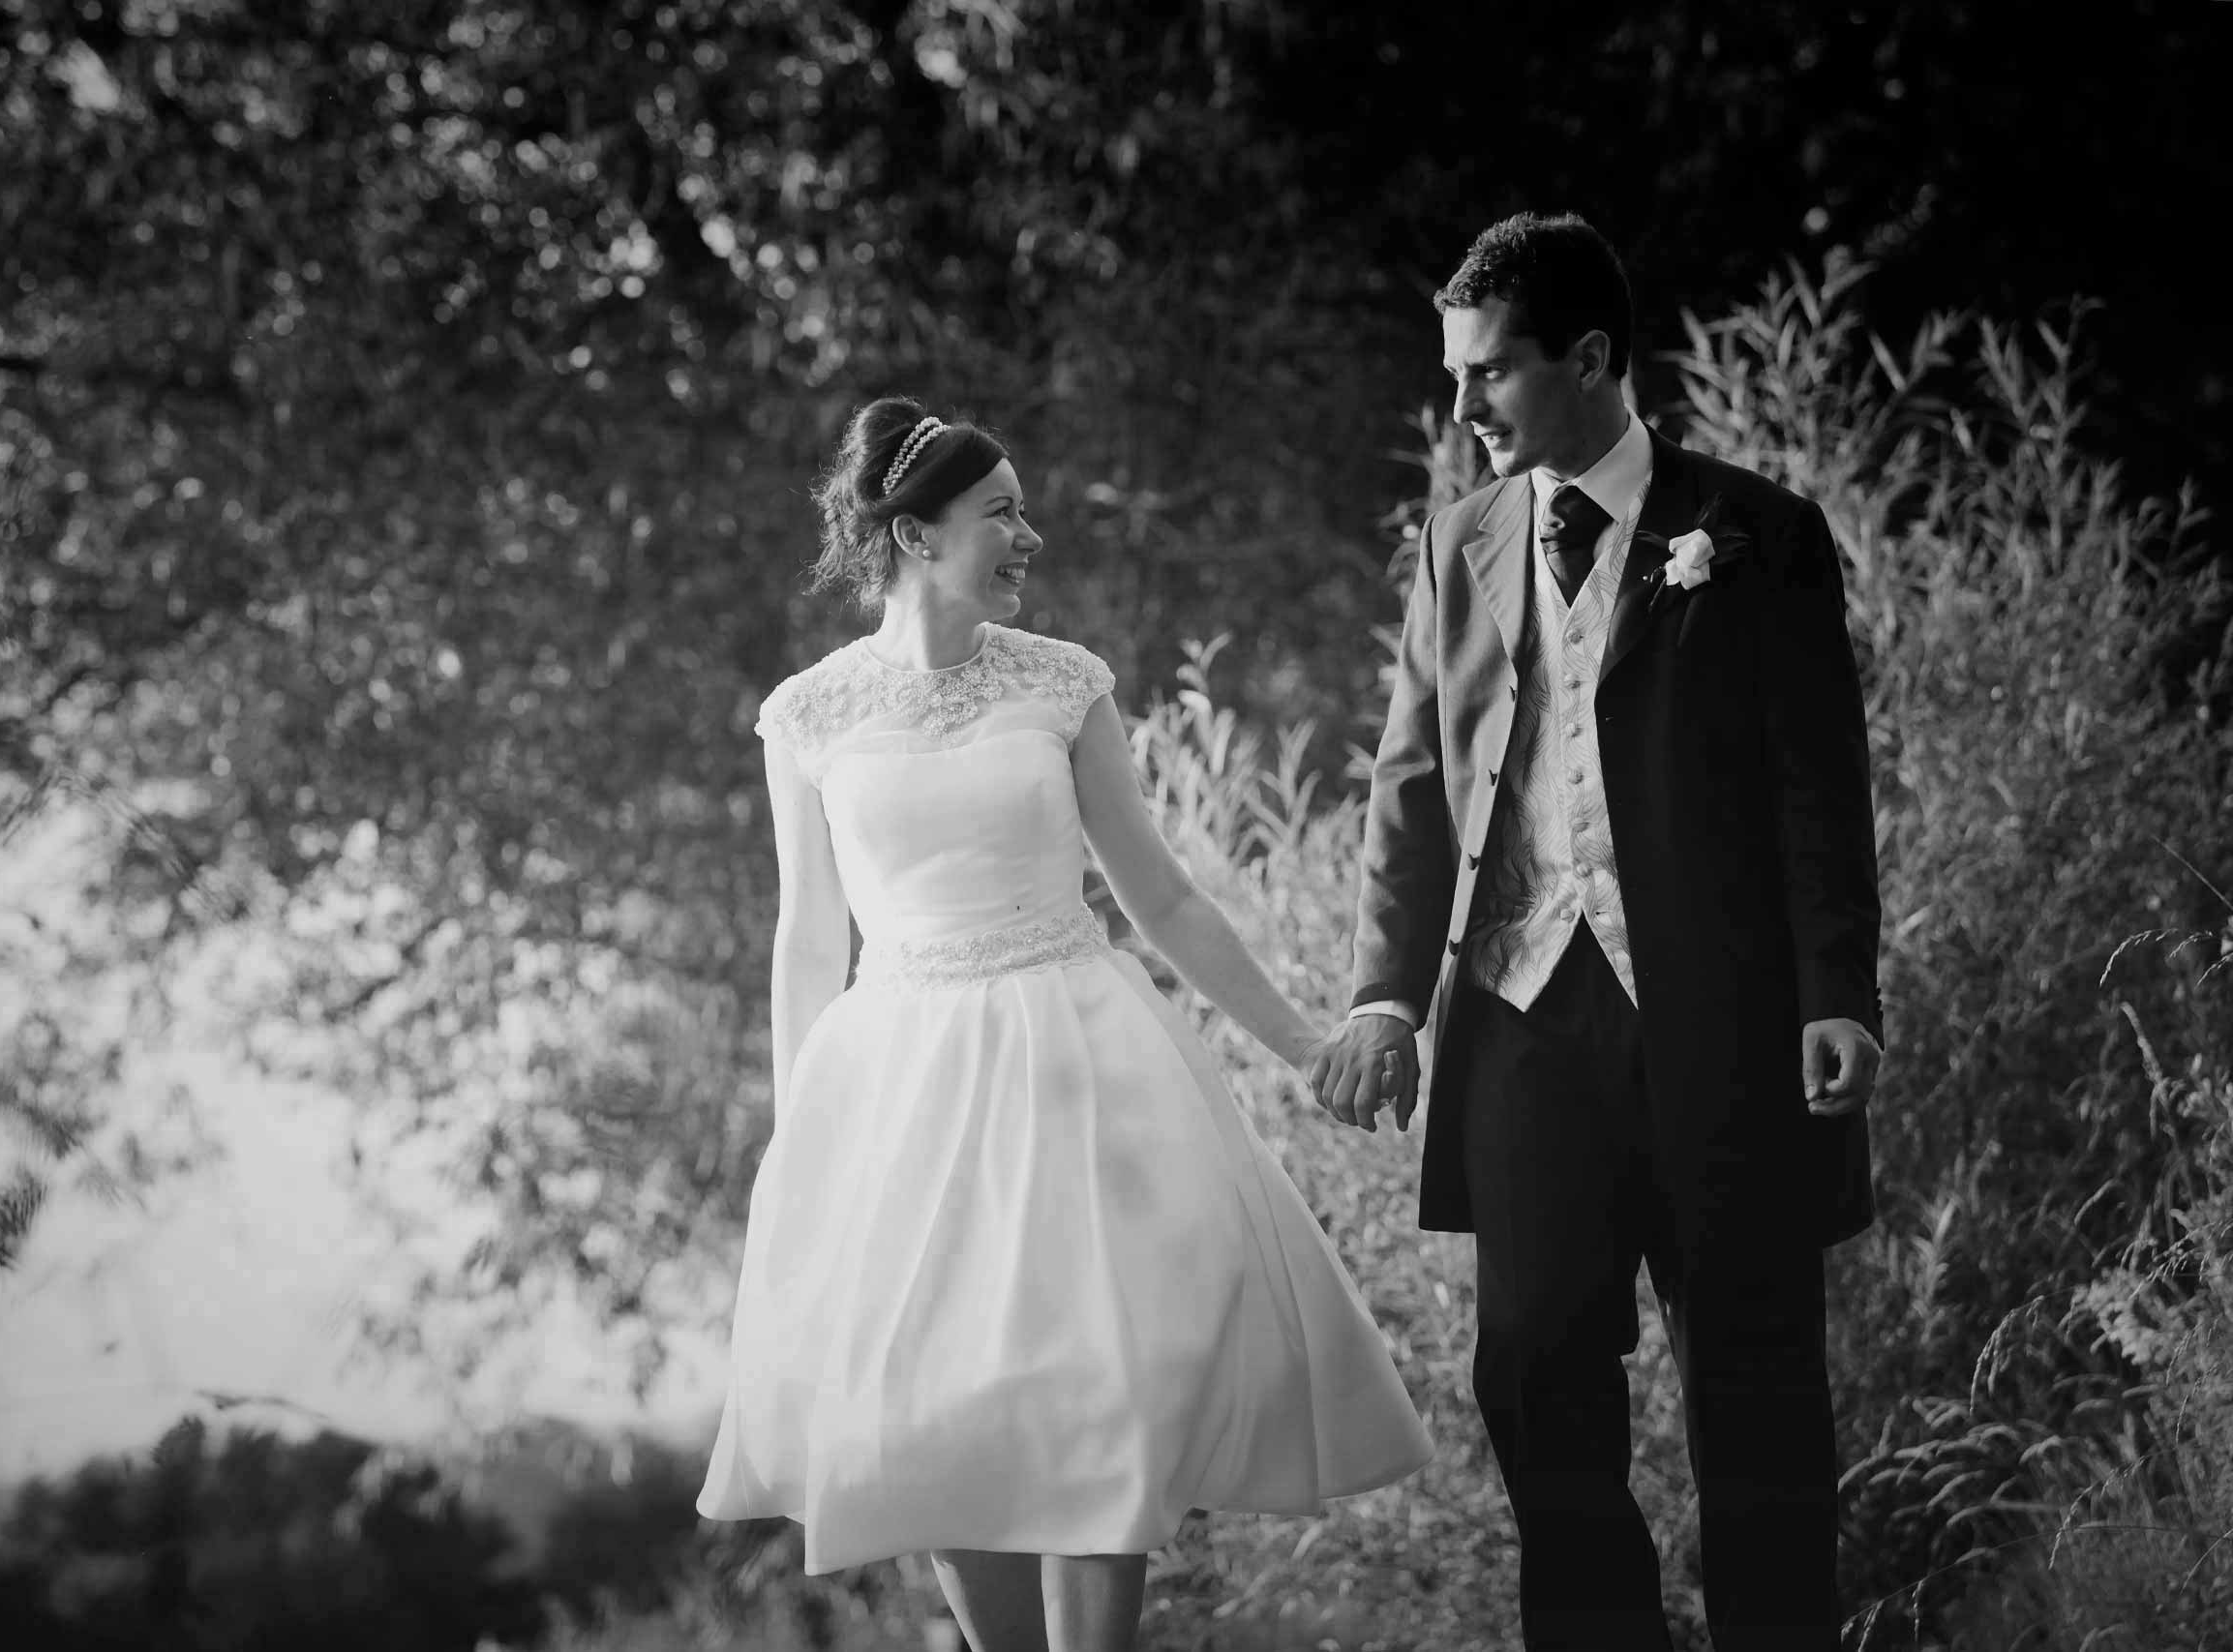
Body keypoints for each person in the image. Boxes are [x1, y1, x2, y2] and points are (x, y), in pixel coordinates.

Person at [698, 397, 1434, 1652]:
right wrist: (796, 1137)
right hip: (901, 1084)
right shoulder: (808, 714)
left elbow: (1163, 898)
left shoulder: (1061, 682)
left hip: (1077, 1064)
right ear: (917, 535)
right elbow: (809, 937)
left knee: (1105, 1391)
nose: (1029, 536)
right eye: (1002, 514)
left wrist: (1306, 1042)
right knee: (929, 1411)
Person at [1306, 212, 1885, 1651]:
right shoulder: (1459, 542)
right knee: (1533, 1380)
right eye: (1454, 372)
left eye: (1489, 371)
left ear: (1589, 358)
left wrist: (1838, 990)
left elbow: (1817, 784)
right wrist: (1384, 996)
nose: (1463, 404)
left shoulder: (1757, 533)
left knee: (1756, 1401)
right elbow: (1410, 779)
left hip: (1725, 1029)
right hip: (1523, 1025)